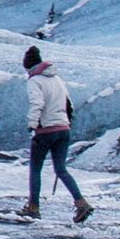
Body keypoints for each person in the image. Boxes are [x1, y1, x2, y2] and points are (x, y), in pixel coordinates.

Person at [19, 45, 88, 223]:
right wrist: (67, 123)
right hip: (63, 129)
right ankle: (81, 204)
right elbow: (69, 104)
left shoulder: (35, 81)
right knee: (61, 169)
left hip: (45, 130)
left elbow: (37, 103)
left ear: (30, 65)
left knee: (35, 169)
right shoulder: (57, 79)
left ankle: (33, 207)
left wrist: (32, 124)